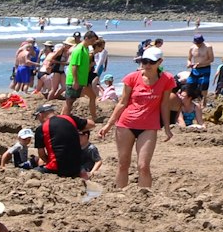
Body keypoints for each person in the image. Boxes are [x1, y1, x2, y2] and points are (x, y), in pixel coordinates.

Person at [98, 46, 179, 188]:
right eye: (144, 61)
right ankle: (120, 195)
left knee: (143, 166)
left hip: (149, 127)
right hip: (126, 124)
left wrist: (167, 128)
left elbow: (164, 105)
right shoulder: (132, 78)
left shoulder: (167, 79)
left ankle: (145, 198)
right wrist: (108, 125)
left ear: (160, 62)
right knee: (123, 164)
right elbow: (122, 102)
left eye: (151, 62)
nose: (147, 65)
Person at [63, 32, 100, 126]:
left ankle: (94, 116)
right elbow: (74, 66)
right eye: (92, 40)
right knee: (69, 101)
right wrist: (75, 81)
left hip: (82, 81)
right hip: (75, 80)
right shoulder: (79, 49)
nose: (92, 43)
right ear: (86, 38)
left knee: (91, 96)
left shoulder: (86, 48)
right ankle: (63, 119)